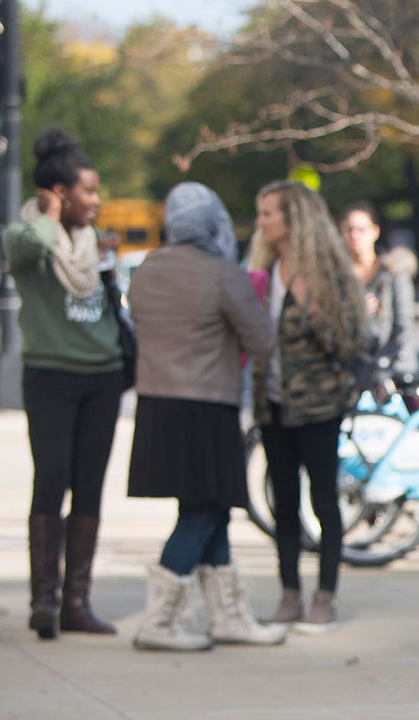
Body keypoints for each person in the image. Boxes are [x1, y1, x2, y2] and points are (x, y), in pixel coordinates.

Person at [125, 183, 284, 651]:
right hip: (207, 406)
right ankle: (159, 621)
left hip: (157, 405)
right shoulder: (222, 273)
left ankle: (228, 616)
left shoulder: (146, 271)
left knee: (206, 507)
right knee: (205, 508)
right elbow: (262, 341)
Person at [2, 128, 125, 640]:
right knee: (52, 478)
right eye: (86, 191)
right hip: (50, 374)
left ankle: (77, 601)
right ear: (57, 193)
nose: (95, 201)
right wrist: (50, 214)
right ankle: (44, 601)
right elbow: (29, 248)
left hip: (103, 376)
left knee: (91, 486)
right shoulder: (27, 236)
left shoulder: (94, 243)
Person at [249, 180, 369, 634]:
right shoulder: (262, 269)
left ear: (293, 219)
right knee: (283, 503)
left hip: (318, 406)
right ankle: (289, 594)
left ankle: (325, 595)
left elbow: (350, 344)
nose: (260, 223)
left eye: (268, 214)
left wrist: (311, 306)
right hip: (272, 404)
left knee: (323, 501)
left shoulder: (329, 275)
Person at [339, 203, 418, 381]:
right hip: (352, 371)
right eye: (349, 229)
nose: (355, 235)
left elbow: (404, 325)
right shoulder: (336, 276)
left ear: (375, 231)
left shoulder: (394, 269)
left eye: (361, 229)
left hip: (395, 370)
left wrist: (384, 368)